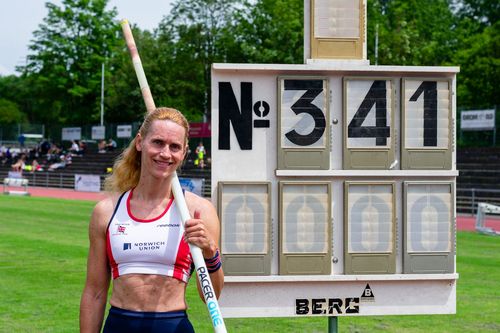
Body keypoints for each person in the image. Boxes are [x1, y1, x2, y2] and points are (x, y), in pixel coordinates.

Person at [80, 107, 224, 333]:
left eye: (175, 147)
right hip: (119, 326)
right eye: (158, 142)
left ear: (184, 152)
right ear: (140, 142)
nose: (165, 153)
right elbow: (95, 292)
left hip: (173, 326)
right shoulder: (106, 212)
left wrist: (210, 251)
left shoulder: (198, 212)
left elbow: (211, 297)